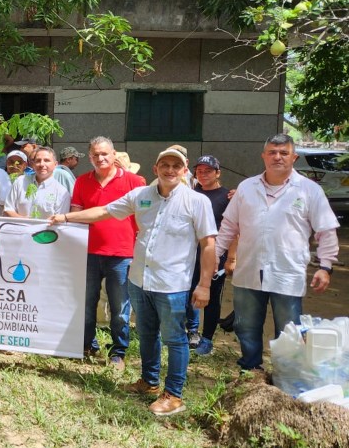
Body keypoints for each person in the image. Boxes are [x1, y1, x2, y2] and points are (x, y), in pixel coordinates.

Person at [52, 147, 217, 416]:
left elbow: (208, 244)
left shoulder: (196, 202)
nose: (170, 170)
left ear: (185, 170)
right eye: (165, 164)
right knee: (148, 333)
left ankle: (174, 394)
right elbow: (103, 212)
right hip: (140, 279)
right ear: (156, 169)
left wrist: (205, 284)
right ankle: (149, 383)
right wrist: (66, 217)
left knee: (175, 339)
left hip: (172, 284)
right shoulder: (141, 196)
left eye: (176, 165)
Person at [215, 134, 339, 372]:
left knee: (288, 328)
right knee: (246, 325)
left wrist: (325, 266)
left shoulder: (308, 190)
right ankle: (251, 370)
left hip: (287, 271)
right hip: (249, 270)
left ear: (294, 157)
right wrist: (215, 257)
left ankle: (286, 376)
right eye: (272, 152)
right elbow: (229, 227)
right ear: (264, 156)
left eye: (283, 153)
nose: (277, 157)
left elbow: (326, 230)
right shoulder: (246, 187)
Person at [70, 136, 146, 369]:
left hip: (122, 255)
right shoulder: (82, 181)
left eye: (104, 154)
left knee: (120, 308)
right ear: (90, 157)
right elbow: (76, 215)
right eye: (95, 155)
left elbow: (145, 218)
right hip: (88, 253)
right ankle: (86, 345)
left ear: (114, 155)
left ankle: (118, 352)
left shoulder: (136, 182)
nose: (100, 158)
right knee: (85, 303)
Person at [186, 155, 231, 356]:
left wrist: (231, 258)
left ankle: (207, 339)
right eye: (200, 171)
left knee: (211, 298)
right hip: (190, 253)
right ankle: (190, 333)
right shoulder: (191, 194)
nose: (203, 175)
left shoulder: (227, 196)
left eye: (208, 171)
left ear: (218, 173)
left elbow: (235, 229)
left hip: (216, 254)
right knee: (188, 293)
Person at [4, 146, 71, 219]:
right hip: (19, 229)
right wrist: (24, 221)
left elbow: (60, 221)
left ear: (55, 164)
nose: (42, 164)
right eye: (38, 161)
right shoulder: (20, 182)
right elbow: (8, 209)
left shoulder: (62, 193)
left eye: (46, 160)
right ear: (33, 164)